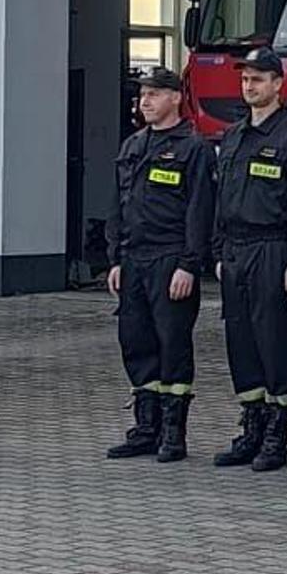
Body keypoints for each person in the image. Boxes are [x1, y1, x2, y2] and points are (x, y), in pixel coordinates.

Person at [212, 46, 287, 472]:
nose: (249, 85)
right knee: (240, 342)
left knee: (273, 340)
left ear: (279, 84)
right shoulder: (233, 136)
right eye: (245, 79)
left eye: (258, 79)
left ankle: (277, 435)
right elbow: (221, 199)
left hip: (273, 248)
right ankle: (252, 426)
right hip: (235, 250)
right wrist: (218, 251)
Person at [104, 66, 216, 463]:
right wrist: (115, 257)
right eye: (142, 95)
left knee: (173, 345)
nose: (145, 101)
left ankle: (173, 432)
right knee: (136, 343)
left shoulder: (193, 148)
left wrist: (190, 264)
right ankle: (145, 426)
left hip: (171, 259)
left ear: (174, 98)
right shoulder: (133, 146)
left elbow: (199, 212)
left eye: (154, 94)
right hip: (134, 259)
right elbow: (118, 206)